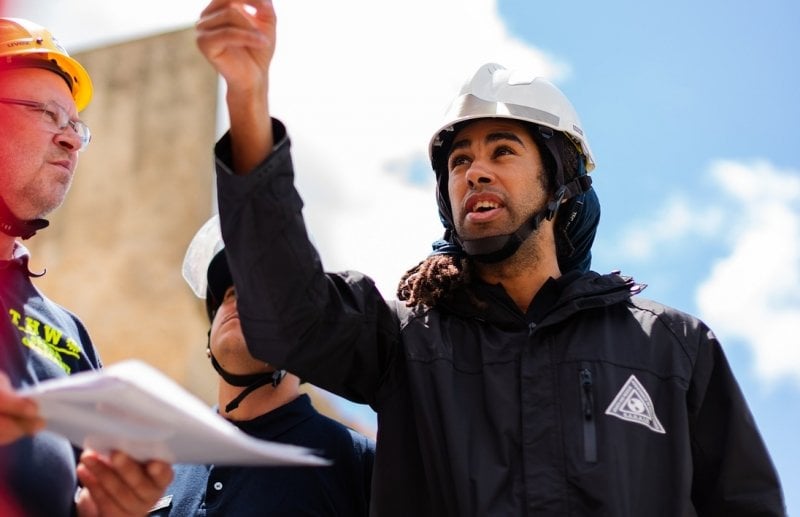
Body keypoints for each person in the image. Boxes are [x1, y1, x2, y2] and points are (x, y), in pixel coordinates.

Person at [195, 1, 786, 515]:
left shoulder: (674, 349)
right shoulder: (403, 342)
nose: (474, 170)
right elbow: (283, 306)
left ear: (560, 183)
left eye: (503, 150)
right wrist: (247, 98)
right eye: (458, 162)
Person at [0, 17, 172, 516]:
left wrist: (110, 507)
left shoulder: (65, 332)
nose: (70, 140)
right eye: (46, 114)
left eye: (75, 125)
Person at [148, 215, 375, 516]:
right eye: (230, 293)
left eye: (262, 292)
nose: (239, 300)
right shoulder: (161, 464)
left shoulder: (356, 463)